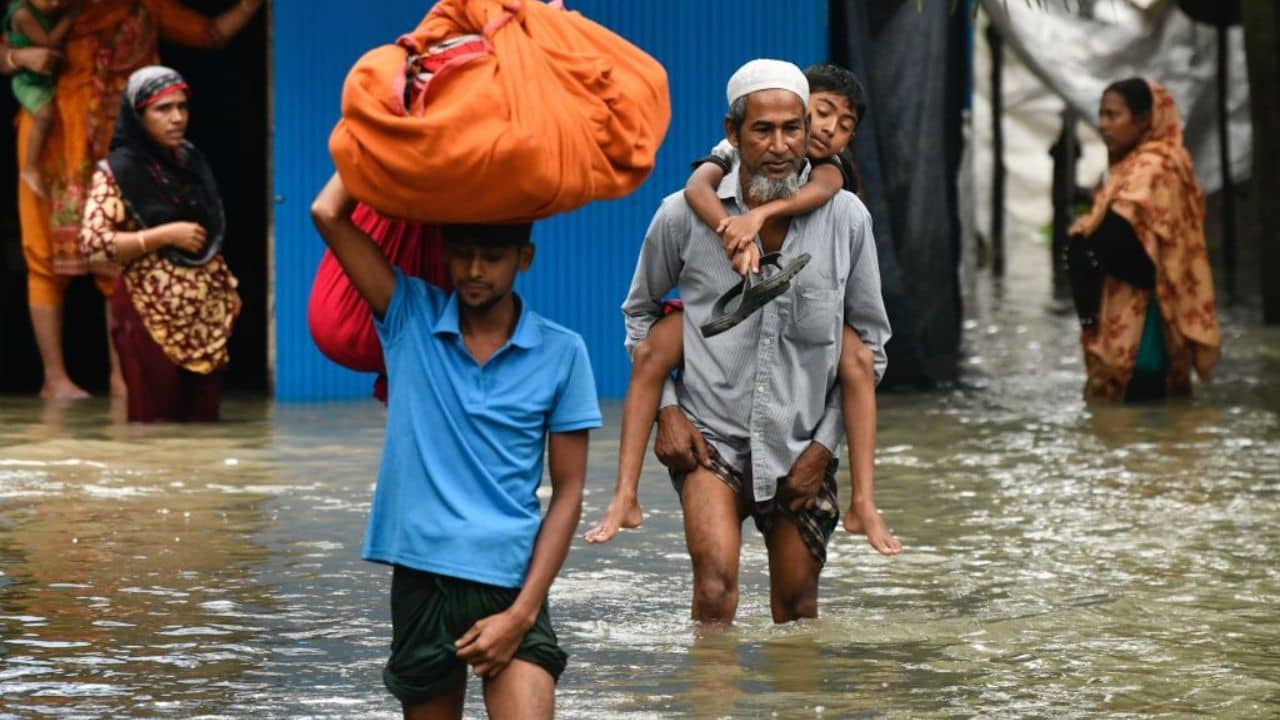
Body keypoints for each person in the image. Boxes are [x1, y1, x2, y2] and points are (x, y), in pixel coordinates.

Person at [310, 174, 602, 719]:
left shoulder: (564, 353)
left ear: (525, 258)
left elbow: (569, 493)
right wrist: (382, 123)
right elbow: (328, 214)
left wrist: (522, 613)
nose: (473, 271)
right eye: (462, 255)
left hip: (512, 583)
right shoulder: (408, 316)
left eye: (492, 257)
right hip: (422, 579)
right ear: (443, 254)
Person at [587, 63, 901, 557]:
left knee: (798, 611)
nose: (817, 134)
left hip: (800, 432)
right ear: (734, 132)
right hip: (711, 428)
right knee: (713, 592)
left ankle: (866, 501)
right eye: (764, 129)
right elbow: (640, 309)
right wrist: (669, 411)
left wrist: (823, 445)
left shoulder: (844, 211)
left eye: (795, 127)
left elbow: (872, 346)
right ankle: (623, 495)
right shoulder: (685, 206)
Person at [14, 0, 261, 400]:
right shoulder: (54, 9)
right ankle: (54, 377)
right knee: (42, 256)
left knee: (122, 264)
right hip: (52, 146)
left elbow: (211, 33)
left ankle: (122, 376)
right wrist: (21, 53)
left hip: (119, 145)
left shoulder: (143, 8)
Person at [77, 66, 238, 423]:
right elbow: (93, 244)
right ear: (137, 116)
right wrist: (164, 235)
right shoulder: (117, 172)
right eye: (162, 109)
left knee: (204, 432)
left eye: (182, 107)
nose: (177, 118)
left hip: (204, 319)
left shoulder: (190, 160)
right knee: (154, 430)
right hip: (149, 315)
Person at [1066, 77, 1220, 402]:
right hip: (1122, 311)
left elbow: (1123, 241)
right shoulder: (1128, 168)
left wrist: (1085, 239)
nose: (1103, 124)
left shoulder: (1156, 168)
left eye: (1113, 115)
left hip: (1145, 318)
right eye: (1102, 114)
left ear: (1142, 120)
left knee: (1140, 412)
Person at [6, 0, 78, 196]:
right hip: (29, 81)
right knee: (45, 114)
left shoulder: (47, 9)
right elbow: (49, 42)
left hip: (47, 79)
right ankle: (29, 168)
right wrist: (70, 16)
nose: (55, 3)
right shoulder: (23, 14)